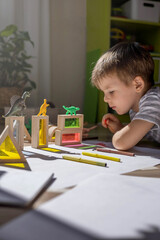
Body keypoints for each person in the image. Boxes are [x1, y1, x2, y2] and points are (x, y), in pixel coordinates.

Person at [91, 41, 160, 150]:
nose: (105, 99)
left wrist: (121, 136)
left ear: (137, 84)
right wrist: (121, 128)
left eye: (111, 91)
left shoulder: (153, 100)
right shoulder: (135, 109)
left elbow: (121, 142)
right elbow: (140, 136)